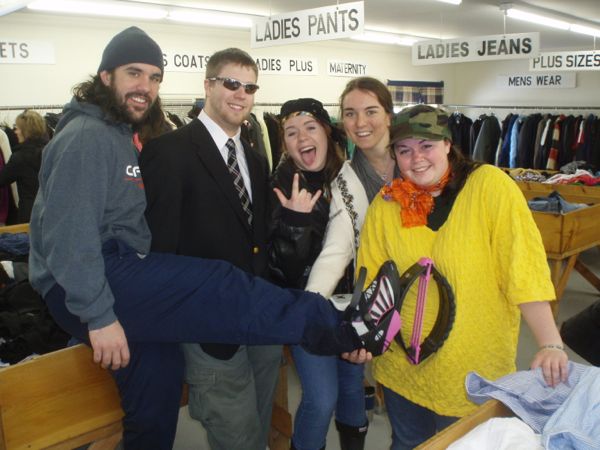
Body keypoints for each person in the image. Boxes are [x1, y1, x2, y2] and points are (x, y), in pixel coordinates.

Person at [27, 26, 397, 450]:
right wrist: (100, 316)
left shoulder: (249, 159)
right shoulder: (106, 139)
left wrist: (294, 225)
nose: (145, 86)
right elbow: (77, 237)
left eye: (154, 77)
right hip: (121, 284)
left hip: (190, 303)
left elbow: (265, 246)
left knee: (157, 388)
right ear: (106, 75)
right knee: (218, 282)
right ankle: (347, 327)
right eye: (134, 73)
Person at [354, 104, 569, 449]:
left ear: (447, 144)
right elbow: (372, 282)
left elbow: (523, 267)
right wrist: (362, 336)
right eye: (404, 150)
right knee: (408, 443)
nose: (416, 158)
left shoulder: (489, 187)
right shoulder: (388, 203)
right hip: (401, 368)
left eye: (426, 145)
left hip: (471, 371)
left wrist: (550, 343)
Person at [140, 47, 280, 450]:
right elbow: (160, 248)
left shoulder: (254, 160)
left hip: (259, 321)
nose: (241, 94)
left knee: (260, 428)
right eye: (231, 83)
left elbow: (256, 240)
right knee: (237, 437)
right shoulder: (169, 152)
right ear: (207, 85)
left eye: (250, 87)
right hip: (208, 327)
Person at [269, 98, 367, 450]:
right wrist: (294, 224)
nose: (302, 138)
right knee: (322, 398)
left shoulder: (349, 178)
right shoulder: (279, 186)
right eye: (291, 132)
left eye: (310, 127)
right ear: (284, 143)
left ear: (326, 132)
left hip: (351, 303)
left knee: (352, 387)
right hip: (307, 307)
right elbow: (280, 272)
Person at [305, 76, 398, 301]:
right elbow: (335, 251)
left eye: (371, 111)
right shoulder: (344, 182)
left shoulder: (417, 164)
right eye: (350, 114)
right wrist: (310, 305)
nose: (360, 123)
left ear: (388, 117)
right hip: (380, 300)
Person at [0, 109, 48, 223]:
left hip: (30, 214)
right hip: (51, 211)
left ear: (25, 131)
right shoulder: (51, 150)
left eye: (17, 128)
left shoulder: (20, 157)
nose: (15, 132)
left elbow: (1, 179)